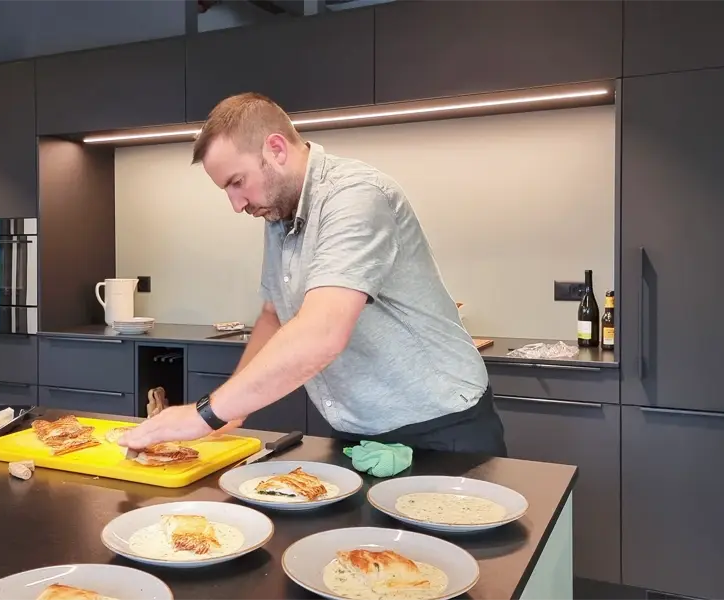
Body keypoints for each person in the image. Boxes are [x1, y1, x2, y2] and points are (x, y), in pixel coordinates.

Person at [117, 92, 506, 456]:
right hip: (359, 429)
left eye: (237, 182)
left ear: (276, 149)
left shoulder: (355, 196)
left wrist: (204, 414)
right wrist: (231, 414)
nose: (236, 204)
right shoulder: (279, 214)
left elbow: (321, 333)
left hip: (440, 427)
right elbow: (274, 315)